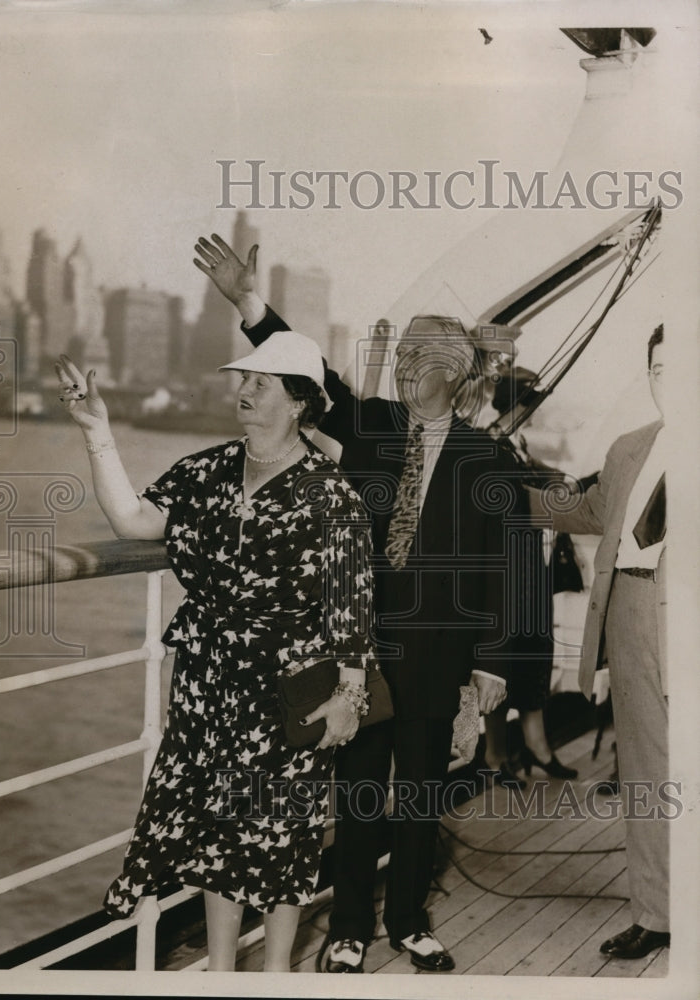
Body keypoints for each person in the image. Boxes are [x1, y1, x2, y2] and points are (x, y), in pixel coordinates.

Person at [193, 234, 523, 973]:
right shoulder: (368, 423)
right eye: (401, 355)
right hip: (361, 648)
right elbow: (310, 371)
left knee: (420, 793)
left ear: (457, 372)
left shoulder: (486, 458)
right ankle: (346, 928)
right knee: (360, 791)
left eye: (423, 359)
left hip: (439, 651)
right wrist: (246, 299)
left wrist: (493, 667)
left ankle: (407, 919)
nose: (406, 368)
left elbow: (504, 569)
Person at [53, 333, 379, 973]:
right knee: (217, 827)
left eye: (262, 383)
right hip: (209, 681)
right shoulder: (208, 470)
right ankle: (224, 973)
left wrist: (350, 697)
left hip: (289, 686)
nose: (245, 391)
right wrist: (98, 431)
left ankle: (279, 970)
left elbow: (352, 605)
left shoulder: (331, 493)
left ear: (300, 403)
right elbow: (132, 521)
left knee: (284, 829)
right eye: (245, 379)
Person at [528, 324, 669, 960]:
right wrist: (493, 492)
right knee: (647, 774)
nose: (671, 380)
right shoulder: (630, 448)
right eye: (658, 368)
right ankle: (659, 913)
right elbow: (587, 512)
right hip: (636, 619)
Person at [481, 367, 579, 787]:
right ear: (516, 405)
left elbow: (543, 476)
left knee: (536, 653)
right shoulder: (489, 444)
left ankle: (538, 748)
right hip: (503, 569)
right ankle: (494, 756)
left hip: (528, 567)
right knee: (504, 659)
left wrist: (571, 482)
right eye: (531, 404)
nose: (535, 412)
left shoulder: (516, 444)